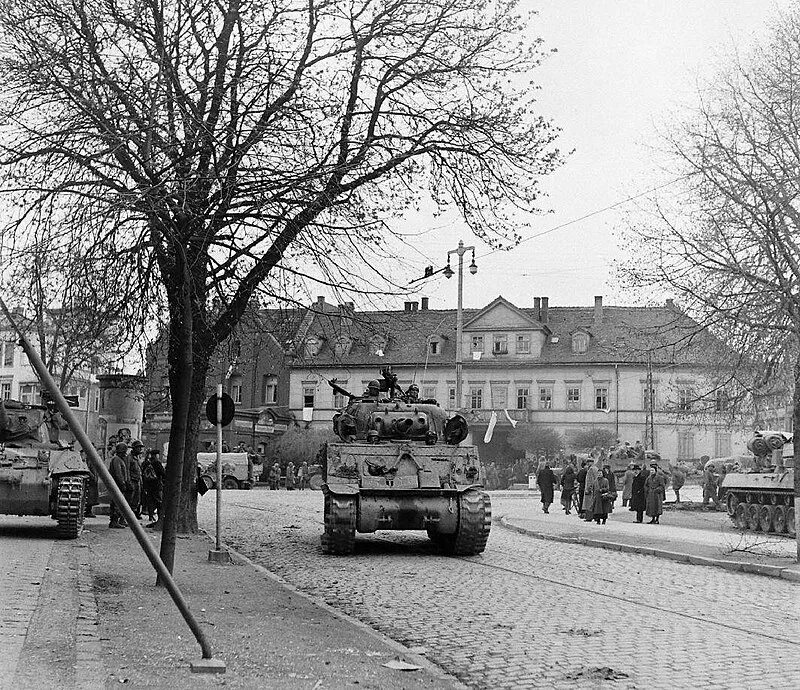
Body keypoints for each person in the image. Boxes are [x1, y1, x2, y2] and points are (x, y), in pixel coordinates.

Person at [108, 442, 130, 529]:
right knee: (117, 503)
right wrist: (122, 483)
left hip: (117, 485)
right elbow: (118, 474)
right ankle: (114, 521)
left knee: (117, 503)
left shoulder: (119, 459)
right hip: (117, 485)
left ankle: (115, 521)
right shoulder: (117, 460)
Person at [141, 449, 165, 523]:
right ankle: (160, 517)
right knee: (159, 501)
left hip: (148, 485)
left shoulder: (146, 463)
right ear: (156, 455)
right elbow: (162, 473)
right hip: (157, 485)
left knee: (150, 501)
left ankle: (150, 516)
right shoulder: (157, 463)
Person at [128, 440, 144, 519]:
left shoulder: (137, 458)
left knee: (137, 500)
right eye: (139, 448)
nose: (140, 449)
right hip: (132, 481)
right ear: (134, 448)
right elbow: (127, 470)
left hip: (138, 481)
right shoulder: (130, 458)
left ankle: (135, 514)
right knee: (131, 500)